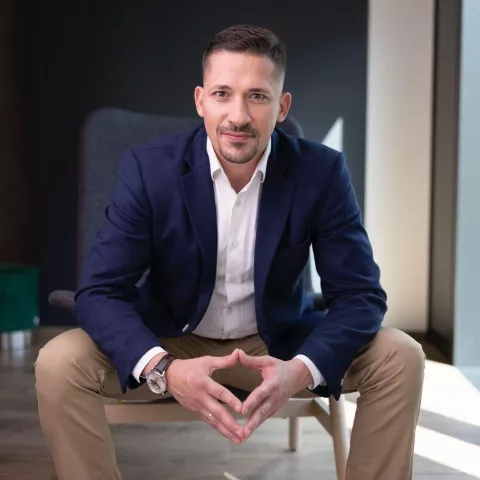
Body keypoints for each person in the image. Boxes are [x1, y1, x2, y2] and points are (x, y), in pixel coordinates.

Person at [35, 24, 425, 480]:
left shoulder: (321, 172)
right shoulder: (148, 169)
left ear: (282, 107)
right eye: (223, 94)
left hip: (277, 347)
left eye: (257, 96)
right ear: (201, 100)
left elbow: (360, 296)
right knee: (59, 362)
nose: (238, 116)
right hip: (172, 341)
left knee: (401, 356)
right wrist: (164, 369)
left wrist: (302, 370)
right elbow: (100, 291)